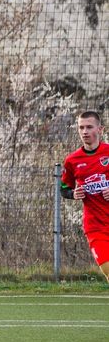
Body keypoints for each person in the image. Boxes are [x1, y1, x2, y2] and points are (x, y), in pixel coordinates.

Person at [60, 110, 109, 282]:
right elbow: (64, 189)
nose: (85, 131)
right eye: (81, 127)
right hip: (95, 226)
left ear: (100, 129)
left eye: (89, 127)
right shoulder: (72, 160)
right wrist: (73, 194)